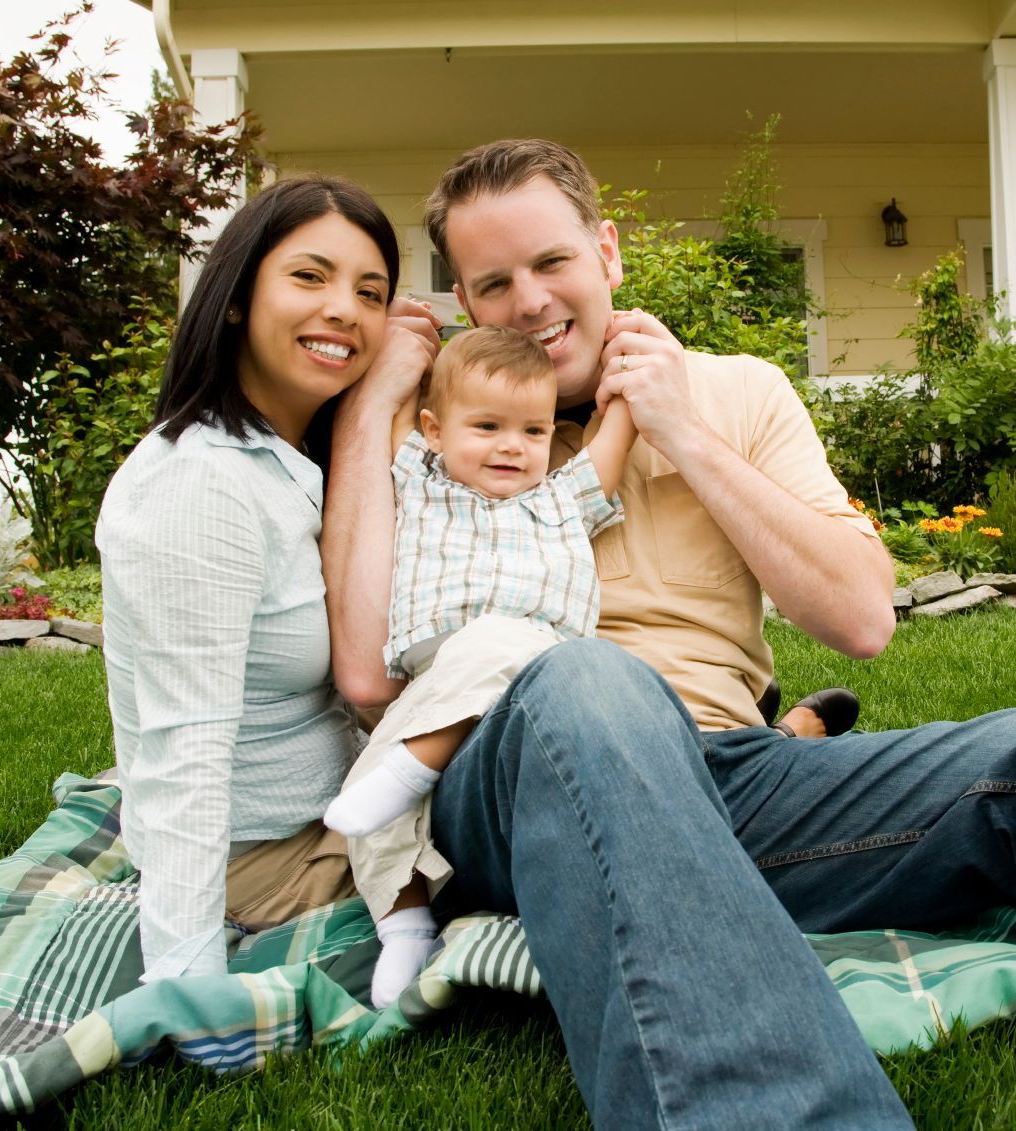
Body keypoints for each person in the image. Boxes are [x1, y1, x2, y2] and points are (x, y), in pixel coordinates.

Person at [322, 138, 1016, 1129]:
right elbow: (362, 673)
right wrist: (374, 405)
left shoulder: (739, 391)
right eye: (494, 283)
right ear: (465, 301)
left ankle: (692, 907)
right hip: (510, 779)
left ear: (606, 252)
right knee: (586, 676)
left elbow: (861, 620)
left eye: (552, 261)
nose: (530, 300)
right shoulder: (439, 428)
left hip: (738, 778)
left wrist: (681, 429)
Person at [94, 176, 439, 980]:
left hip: (338, 810)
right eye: (309, 276)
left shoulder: (289, 461)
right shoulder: (200, 483)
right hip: (265, 859)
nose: (344, 310)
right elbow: (185, 754)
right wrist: (184, 984)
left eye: (370, 292)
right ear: (238, 298)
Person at [324, 324, 636, 1005]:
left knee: (498, 640)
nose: (512, 445)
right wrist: (405, 341)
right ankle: (405, 926)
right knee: (367, 791)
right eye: (488, 426)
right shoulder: (420, 479)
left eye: (533, 430)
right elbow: (396, 409)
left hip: (533, 675)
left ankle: (413, 768)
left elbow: (615, 436)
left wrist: (626, 370)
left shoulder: (560, 498)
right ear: (435, 431)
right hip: (440, 679)